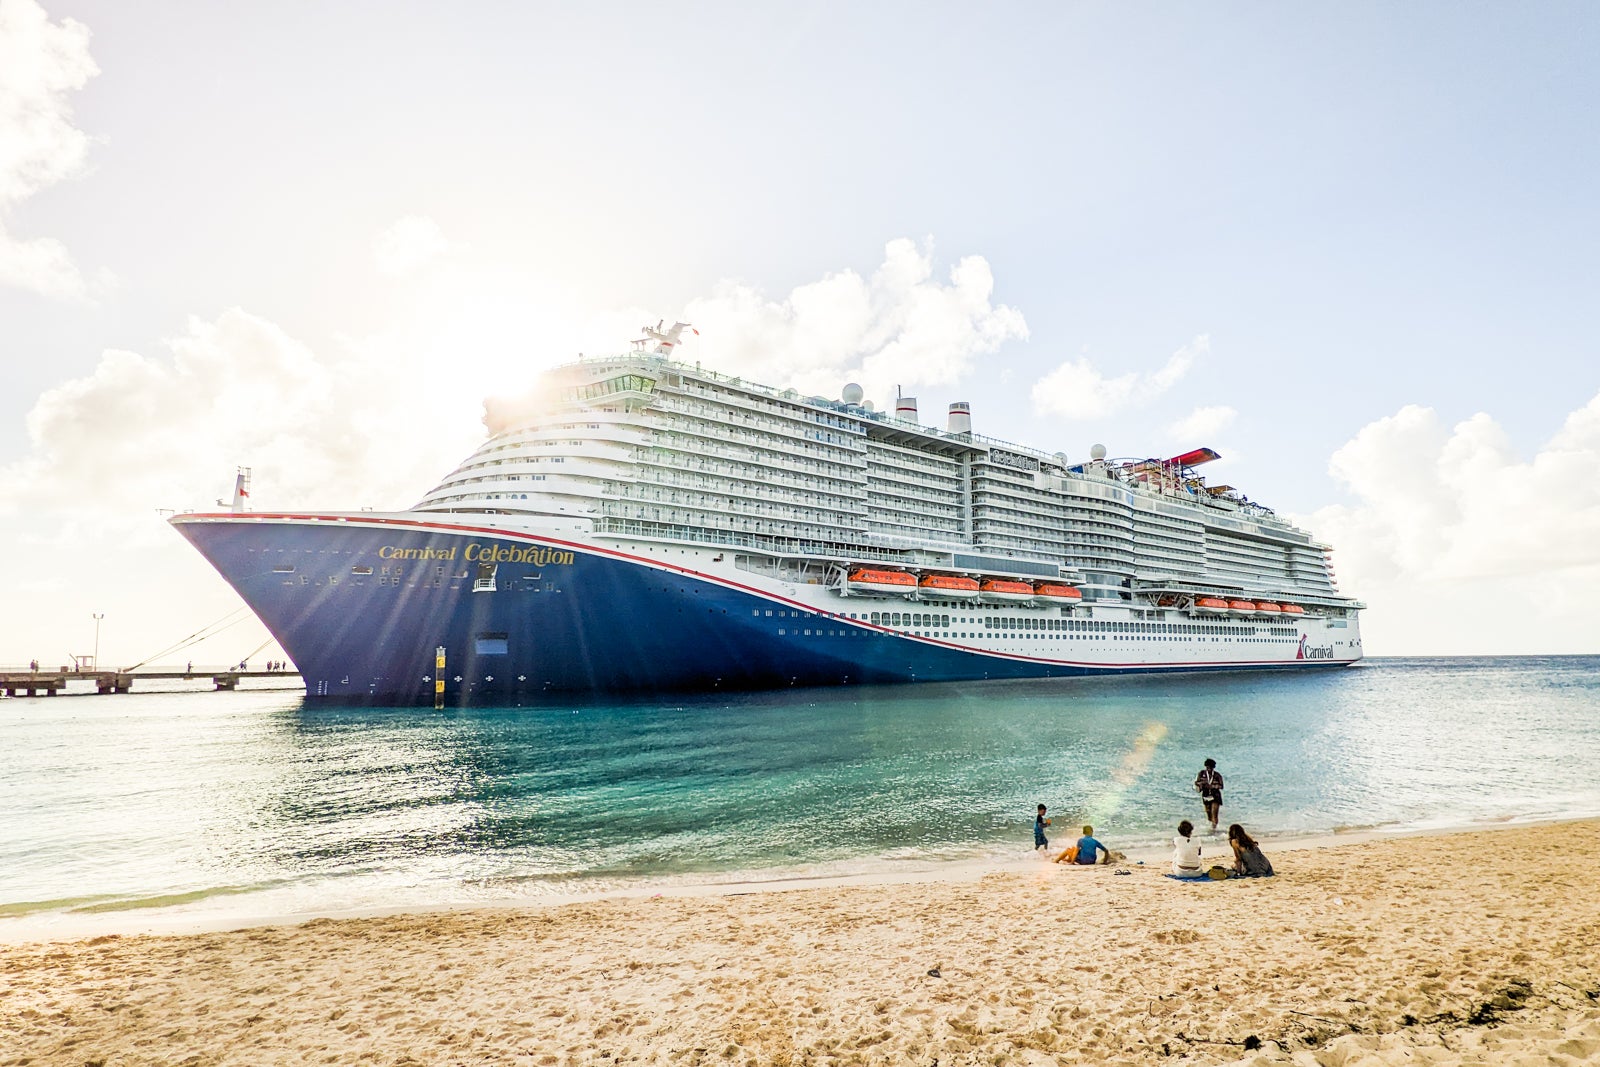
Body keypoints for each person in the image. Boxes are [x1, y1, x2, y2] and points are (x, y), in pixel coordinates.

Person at [1195, 758, 1224, 831]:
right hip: (1206, 795)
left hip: (1215, 796)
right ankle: (1211, 828)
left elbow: (1221, 786)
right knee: (1208, 813)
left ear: (1213, 768)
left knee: (1214, 814)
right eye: (1207, 767)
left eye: (1210, 768)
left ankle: (1214, 829)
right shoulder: (1201, 773)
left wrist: (1212, 786)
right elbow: (1196, 782)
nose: (1209, 769)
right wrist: (1201, 784)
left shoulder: (1217, 775)